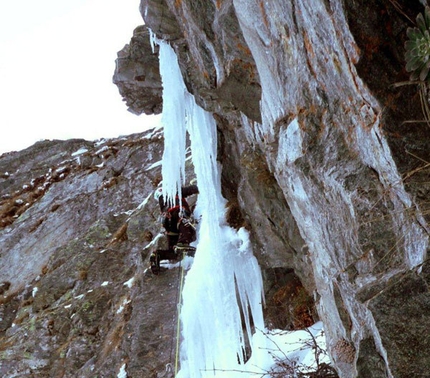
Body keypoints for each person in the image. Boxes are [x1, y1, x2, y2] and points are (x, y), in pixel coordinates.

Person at [150, 184, 199, 274]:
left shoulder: (162, 205)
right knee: (183, 224)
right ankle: (183, 242)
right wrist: (199, 187)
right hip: (178, 212)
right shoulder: (174, 193)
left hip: (168, 222)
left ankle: (158, 255)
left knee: (173, 248)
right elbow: (191, 189)